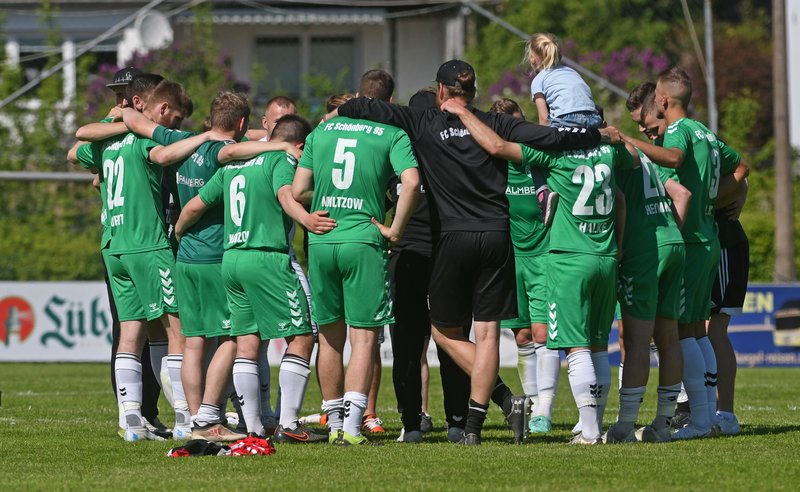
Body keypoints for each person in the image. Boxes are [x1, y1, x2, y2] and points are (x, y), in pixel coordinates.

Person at [332, 60, 616, 445]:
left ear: (441, 90)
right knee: (487, 335)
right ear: (473, 91)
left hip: (453, 238)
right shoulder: (496, 123)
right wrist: (596, 134)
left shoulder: (423, 122)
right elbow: (550, 137)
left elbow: (363, 107)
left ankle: (502, 401)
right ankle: (473, 427)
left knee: (442, 333)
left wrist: (343, 111)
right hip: (498, 237)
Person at [441, 95, 630, 445]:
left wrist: (462, 112)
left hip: (561, 257)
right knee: (580, 343)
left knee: (566, 343)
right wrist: (608, 135)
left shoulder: (550, 155)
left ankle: (569, 422)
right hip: (579, 256)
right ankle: (584, 422)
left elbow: (501, 145)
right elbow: (624, 179)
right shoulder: (607, 152)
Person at [176, 114, 330, 443]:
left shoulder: (233, 166)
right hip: (266, 257)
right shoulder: (282, 160)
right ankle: (289, 425)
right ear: (299, 145)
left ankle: (254, 429)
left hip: (231, 260)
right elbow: (286, 195)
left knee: (246, 341)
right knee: (302, 336)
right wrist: (306, 218)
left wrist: (177, 232)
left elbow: (194, 206)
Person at [292, 69, 421, 446]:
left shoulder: (320, 133)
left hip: (322, 238)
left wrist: (324, 200)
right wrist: (395, 229)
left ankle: (333, 424)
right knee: (364, 339)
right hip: (363, 239)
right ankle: (351, 428)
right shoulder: (391, 132)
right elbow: (412, 182)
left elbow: (298, 190)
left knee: (330, 338)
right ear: (389, 102)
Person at [68, 79, 200, 441]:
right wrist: (202, 139)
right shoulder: (144, 139)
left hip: (114, 246)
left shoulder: (107, 140)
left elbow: (75, 153)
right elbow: (164, 156)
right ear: (161, 109)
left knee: (132, 333)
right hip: (148, 244)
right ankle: (186, 418)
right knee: (177, 331)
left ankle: (131, 422)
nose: (173, 127)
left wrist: (115, 124)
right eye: (174, 120)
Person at [621, 66, 749, 439]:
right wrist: (726, 196)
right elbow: (739, 167)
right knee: (695, 330)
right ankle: (705, 417)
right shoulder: (703, 131)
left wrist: (628, 141)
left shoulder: (678, 131)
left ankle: (702, 419)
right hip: (708, 236)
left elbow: (675, 160)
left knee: (685, 331)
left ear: (661, 99)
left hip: (691, 240)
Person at [605, 89, 692, 443]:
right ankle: (664, 423)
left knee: (637, 341)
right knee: (668, 338)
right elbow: (681, 193)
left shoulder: (616, 151)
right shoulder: (646, 154)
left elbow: (619, 201)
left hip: (645, 249)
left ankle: (625, 425)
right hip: (673, 241)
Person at [388, 87, 472, 444]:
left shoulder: (396, 156)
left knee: (407, 343)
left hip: (407, 255)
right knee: (452, 338)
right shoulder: (455, 154)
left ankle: (411, 424)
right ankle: (457, 421)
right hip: (448, 254)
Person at [488, 98, 561, 436]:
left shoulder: (539, 159)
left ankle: (544, 409)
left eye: (520, 123)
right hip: (510, 259)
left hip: (543, 256)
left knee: (544, 334)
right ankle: (529, 405)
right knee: (522, 336)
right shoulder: (492, 164)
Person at [526, 33, 602, 129]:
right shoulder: (571, 71)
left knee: (546, 132)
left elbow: (544, 119)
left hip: (568, 120)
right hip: (593, 117)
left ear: (532, 59)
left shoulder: (538, 80)